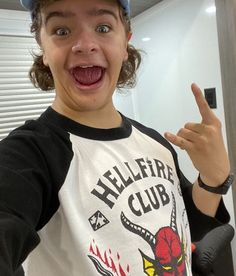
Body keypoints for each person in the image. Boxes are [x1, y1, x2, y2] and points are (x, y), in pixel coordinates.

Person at [0, 0, 233, 275]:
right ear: (44, 49)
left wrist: (214, 178)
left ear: (125, 43)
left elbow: (189, 224)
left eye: (103, 27)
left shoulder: (154, 142)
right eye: (62, 31)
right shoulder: (30, 154)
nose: (85, 44)